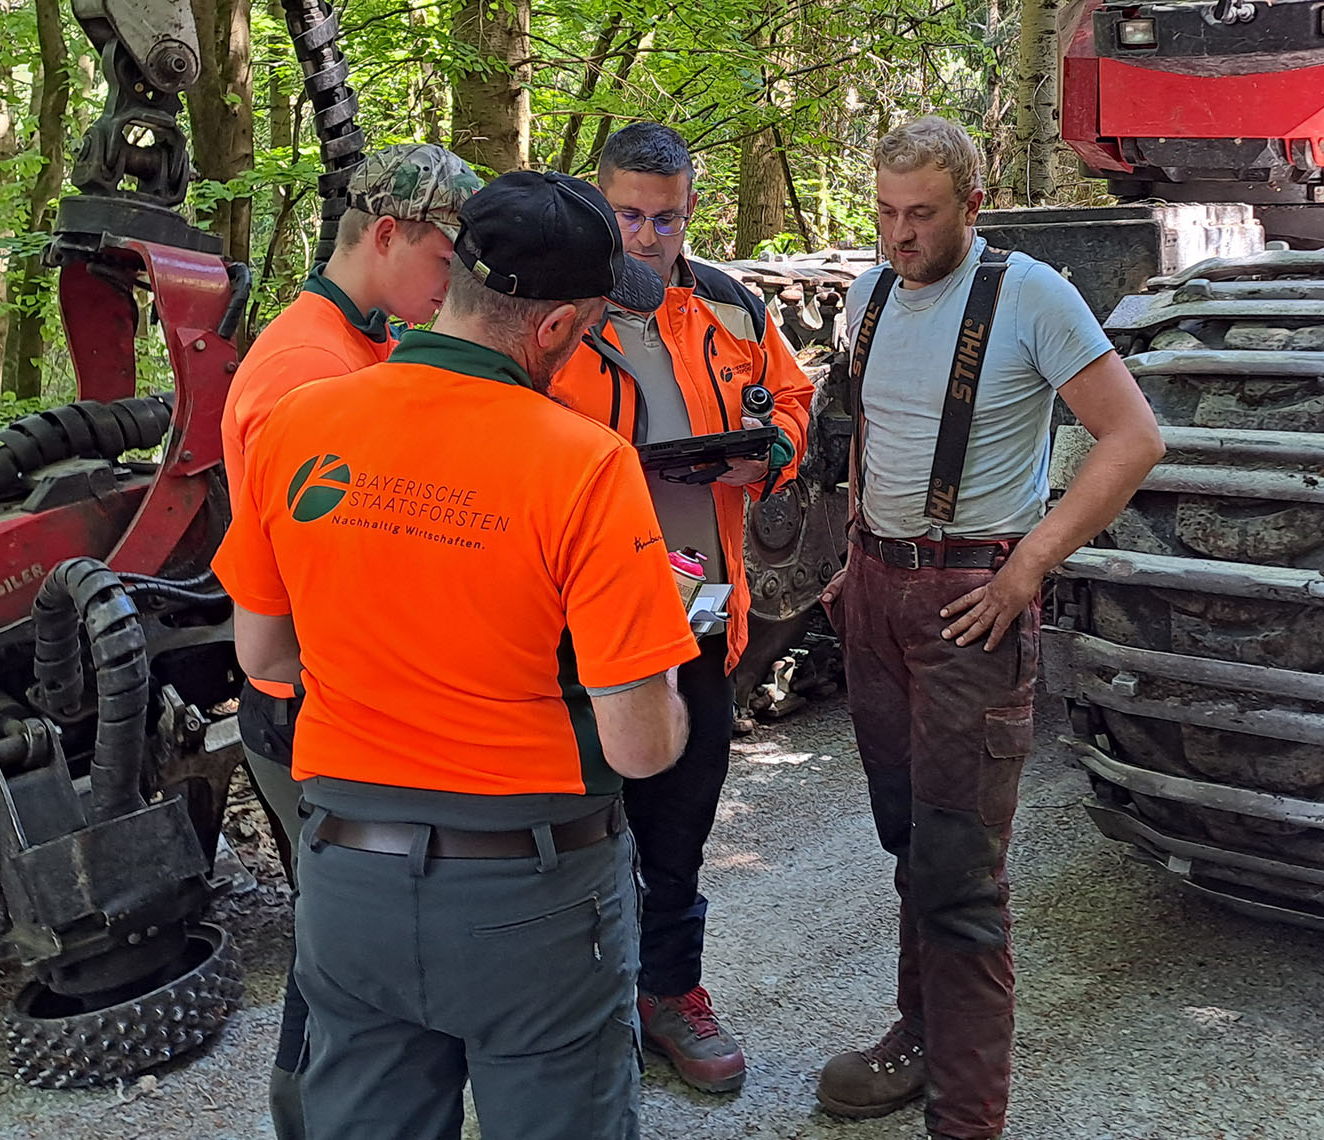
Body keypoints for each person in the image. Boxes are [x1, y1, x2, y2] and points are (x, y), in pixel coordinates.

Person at [213, 170, 693, 1140]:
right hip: (534, 901)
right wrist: (663, 646)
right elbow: (642, 746)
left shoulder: (301, 423)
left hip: (349, 882)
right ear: (554, 330)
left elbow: (264, 649)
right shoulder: (587, 466)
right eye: (595, 324)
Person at [812, 116, 1166, 1140]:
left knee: (962, 873)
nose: (898, 236)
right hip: (878, 591)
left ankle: (968, 1118)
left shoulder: (1032, 296)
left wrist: (1027, 569)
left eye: (921, 215)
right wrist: (849, 567)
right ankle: (918, 1039)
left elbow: (1133, 437)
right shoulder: (870, 294)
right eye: (884, 212)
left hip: (973, 600)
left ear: (974, 203)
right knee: (909, 845)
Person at [216, 141, 483, 1140]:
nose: (451, 288)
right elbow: (312, 575)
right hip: (311, 710)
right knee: (345, 955)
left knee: (344, 946)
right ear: (386, 235)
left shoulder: (358, 343)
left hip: (333, 699)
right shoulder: (304, 371)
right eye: (443, 264)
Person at [546, 121, 815, 1094]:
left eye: (667, 217)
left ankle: (670, 992)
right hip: (568, 611)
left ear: (690, 211)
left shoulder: (732, 310)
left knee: (684, 808)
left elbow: (792, 396)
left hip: (696, 603)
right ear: (598, 202)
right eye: (628, 214)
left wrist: (769, 451)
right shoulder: (550, 304)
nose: (649, 235)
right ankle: (581, 1005)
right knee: (578, 810)